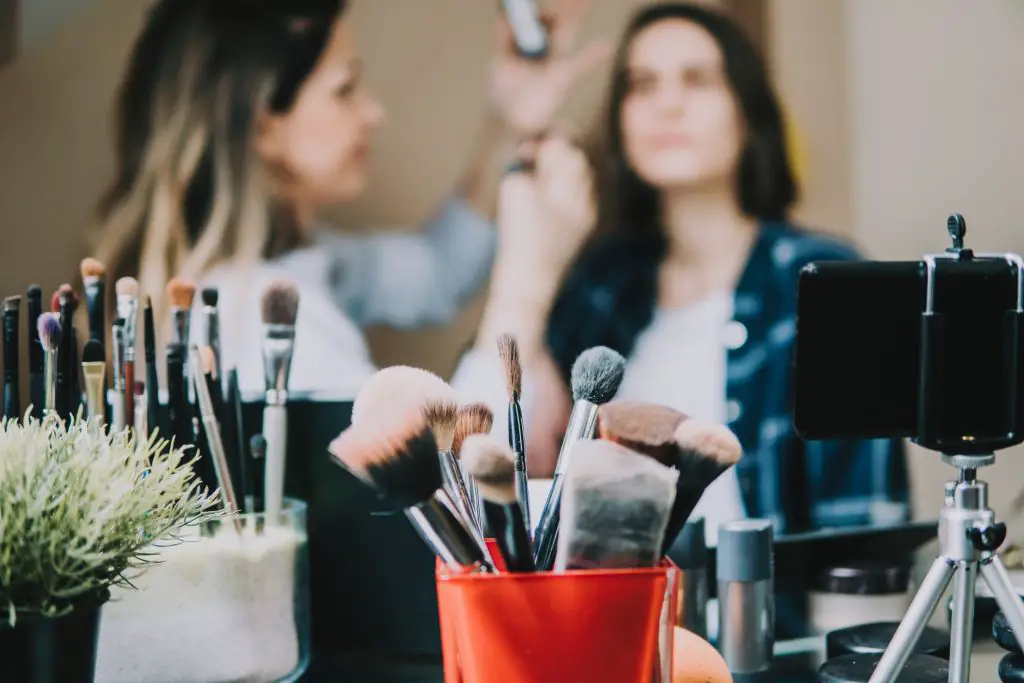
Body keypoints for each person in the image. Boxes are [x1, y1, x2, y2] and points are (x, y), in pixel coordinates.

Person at [452, 2, 910, 541]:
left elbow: (862, 545)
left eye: (696, 81)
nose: (666, 104)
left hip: (766, 620)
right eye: (642, 85)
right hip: (609, 615)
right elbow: (486, 483)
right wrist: (528, 271)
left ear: (748, 111)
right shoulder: (599, 285)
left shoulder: (822, 282)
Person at [91, 0, 609, 397]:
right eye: (346, 89)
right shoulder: (255, 315)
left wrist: (507, 121)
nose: (372, 113)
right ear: (262, 124)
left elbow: (435, 276)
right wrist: (529, 285)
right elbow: (442, 491)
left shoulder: (302, 259)